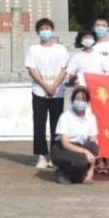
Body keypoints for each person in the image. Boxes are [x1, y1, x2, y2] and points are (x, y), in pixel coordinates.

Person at [24, 18, 69, 170]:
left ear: (52, 29)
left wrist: (54, 85)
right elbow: (31, 70)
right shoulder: (34, 49)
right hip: (39, 91)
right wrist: (45, 85)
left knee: (57, 124)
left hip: (57, 91)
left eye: (47, 28)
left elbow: (64, 69)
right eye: (42, 29)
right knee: (39, 123)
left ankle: (55, 155)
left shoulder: (60, 49)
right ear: (38, 32)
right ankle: (42, 155)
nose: (45, 31)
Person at [50, 87, 99, 185]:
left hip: (80, 147)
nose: (80, 102)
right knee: (81, 161)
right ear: (72, 100)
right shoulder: (65, 116)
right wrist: (85, 152)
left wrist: (91, 169)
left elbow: (93, 140)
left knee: (94, 147)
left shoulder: (91, 117)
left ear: (87, 102)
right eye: (77, 99)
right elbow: (65, 143)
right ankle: (62, 172)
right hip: (62, 148)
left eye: (83, 99)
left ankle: (77, 175)